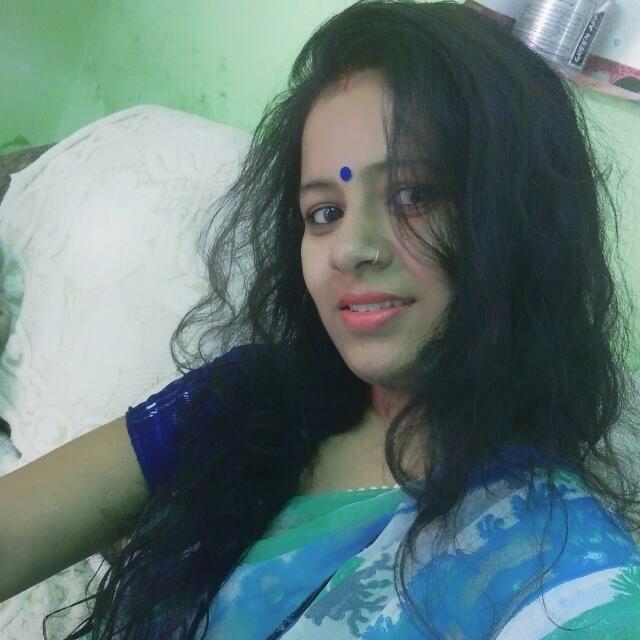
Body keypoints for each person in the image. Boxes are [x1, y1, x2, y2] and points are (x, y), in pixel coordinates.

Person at [1, 0, 640, 638]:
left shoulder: (559, 562)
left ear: (522, 221)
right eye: (325, 212)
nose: (350, 248)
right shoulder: (244, 402)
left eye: (413, 195)